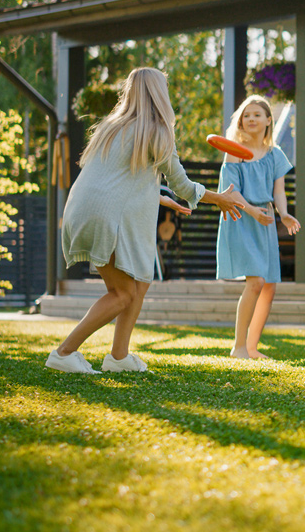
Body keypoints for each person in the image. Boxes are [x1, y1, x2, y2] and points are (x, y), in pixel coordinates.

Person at [46, 67, 244, 374]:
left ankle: (119, 357)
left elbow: (122, 178)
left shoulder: (111, 127)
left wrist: (159, 196)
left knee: (140, 282)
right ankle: (64, 352)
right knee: (123, 293)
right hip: (106, 216)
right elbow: (184, 186)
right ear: (159, 94)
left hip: (82, 209)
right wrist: (220, 198)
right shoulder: (157, 131)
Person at [216, 95, 300, 359]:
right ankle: (238, 347)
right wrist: (252, 210)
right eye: (246, 115)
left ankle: (251, 348)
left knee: (269, 286)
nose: (250, 119)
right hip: (241, 218)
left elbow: (279, 191)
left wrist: (283, 214)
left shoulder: (275, 154)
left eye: (256, 114)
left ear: (267, 120)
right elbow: (231, 191)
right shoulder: (234, 152)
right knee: (256, 282)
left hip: (264, 221)